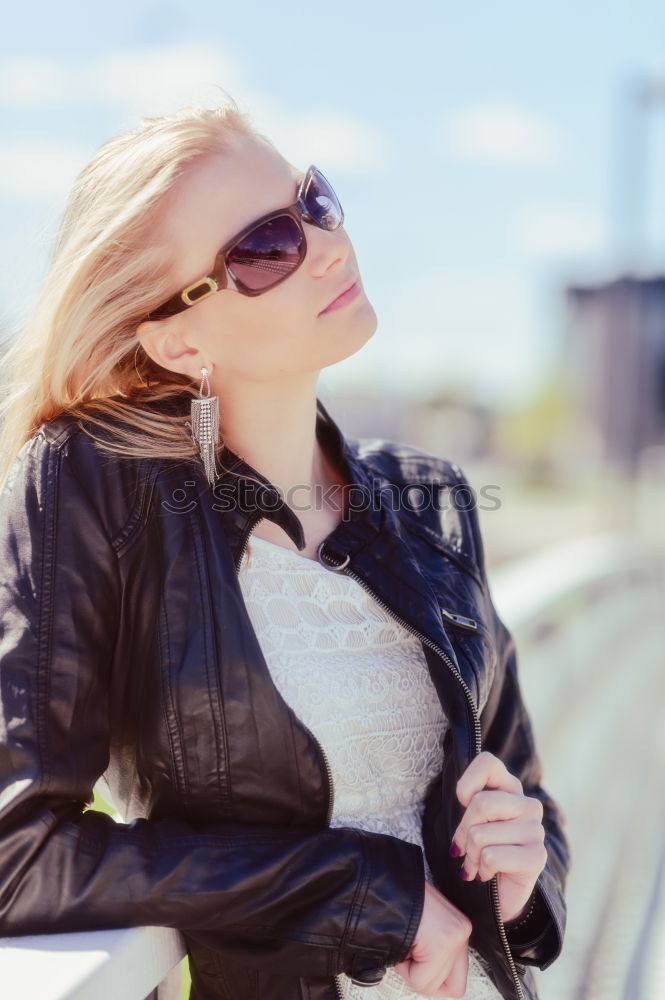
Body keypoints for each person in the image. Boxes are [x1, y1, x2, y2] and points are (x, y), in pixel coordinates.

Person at [0, 94, 569, 1000]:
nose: (328, 244)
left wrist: (522, 873)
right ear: (176, 336)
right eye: (266, 248)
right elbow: (19, 855)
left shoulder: (429, 498)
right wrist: (360, 890)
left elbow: (527, 802)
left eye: (315, 202)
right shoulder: (90, 484)